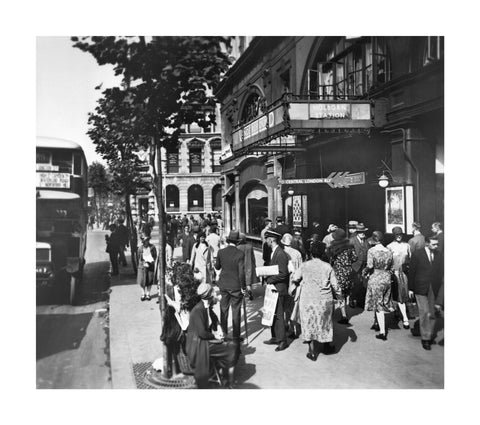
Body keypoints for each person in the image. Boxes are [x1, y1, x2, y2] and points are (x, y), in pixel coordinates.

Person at [292, 241, 342, 360]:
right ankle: (326, 346)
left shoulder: (304, 265)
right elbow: (335, 286)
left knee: (308, 322)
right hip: (324, 300)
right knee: (325, 322)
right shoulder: (327, 266)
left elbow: (295, 278)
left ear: (311, 252)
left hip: (307, 299)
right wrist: (340, 297)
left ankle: (312, 351)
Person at [186, 283, 237, 389]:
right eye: (213, 292)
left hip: (204, 341)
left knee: (231, 342)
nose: (215, 293)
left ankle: (225, 375)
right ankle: (230, 381)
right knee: (231, 347)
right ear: (209, 295)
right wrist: (216, 336)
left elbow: (214, 318)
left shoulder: (206, 306)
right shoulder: (198, 310)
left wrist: (218, 327)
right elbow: (202, 334)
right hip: (198, 345)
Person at [408, 236, 444, 350]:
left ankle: (428, 334)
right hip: (420, 287)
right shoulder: (418, 254)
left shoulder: (439, 255)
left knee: (432, 313)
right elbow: (412, 272)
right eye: (434, 244)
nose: (436, 246)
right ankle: (425, 339)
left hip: (433, 287)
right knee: (424, 312)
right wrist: (410, 288)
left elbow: (440, 271)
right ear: (427, 244)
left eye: (437, 244)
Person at [214, 230, 246, 343]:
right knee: (236, 311)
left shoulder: (221, 252)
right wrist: (244, 287)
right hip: (236, 286)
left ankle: (224, 334)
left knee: (224, 310)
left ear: (228, 241)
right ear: (237, 242)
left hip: (223, 285)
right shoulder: (240, 254)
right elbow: (241, 272)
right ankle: (236, 337)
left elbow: (217, 267)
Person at [263, 229, 290, 351]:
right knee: (273, 313)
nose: (266, 241)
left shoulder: (280, 254)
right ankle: (275, 337)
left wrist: (270, 279)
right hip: (274, 288)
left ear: (271, 239)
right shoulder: (274, 252)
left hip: (279, 288)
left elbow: (283, 274)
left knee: (279, 315)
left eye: (267, 239)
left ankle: (283, 340)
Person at [364, 231, 394, 340]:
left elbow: (370, 265)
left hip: (376, 277)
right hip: (386, 277)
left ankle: (382, 331)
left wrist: (365, 271)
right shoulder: (389, 251)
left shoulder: (371, 251)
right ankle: (376, 323)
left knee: (378, 304)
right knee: (381, 301)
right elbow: (391, 266)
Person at [328, 228, 358, 325]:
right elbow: (355, 258)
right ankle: (343, 313)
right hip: (348, 271)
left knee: (336, 293)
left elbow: (330, 258)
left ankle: (337, 314)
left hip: (337, 271)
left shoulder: (333, 247)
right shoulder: (350, 246)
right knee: (344, 293)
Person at [387, 226, 411, 330]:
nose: (399, 236)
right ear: (394, 235)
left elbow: (410, 258)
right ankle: (401, 315)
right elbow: (388, 261)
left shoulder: (407, 245)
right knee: (395, 295)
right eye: (397, 234)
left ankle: (403, 316)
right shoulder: (389, 246)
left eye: (400, 234)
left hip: (404, 273)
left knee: (403, 296)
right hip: (394, 273)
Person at [281, 233, 303, 338]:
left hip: (284, 282)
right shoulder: (297, 253)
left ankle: (287, 324)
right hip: (295, 282)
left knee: (285, 306)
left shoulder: (281, 253)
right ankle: (294, 328)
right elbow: (301, 269)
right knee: (293, 305)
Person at [349, 223, 370, 308]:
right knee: (354, 283)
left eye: (363, 232)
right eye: (361, 232)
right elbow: (348, 253)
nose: (363, 234)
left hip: (363, 266)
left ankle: (360, 301)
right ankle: (352, 299)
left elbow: (368, 252)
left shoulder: (366, 241)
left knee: (363, 284)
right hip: (355, 266)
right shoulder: (352, 240)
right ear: (357, 232)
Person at [236, 233, 257, 299]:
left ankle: (243, 292)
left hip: (241, 264)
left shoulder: (237, 247)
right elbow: (253, 257)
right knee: (248, 280)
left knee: (242, 278)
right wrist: (254, 264)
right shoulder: (250, 246)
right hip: (249, 264)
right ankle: (249, 290)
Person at [137, 236, 157, 301]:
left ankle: (148, 294)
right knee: (142, 280)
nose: (146, 242)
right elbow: (138, 257)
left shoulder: (152, 247)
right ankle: (143, 294)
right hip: (142, 267)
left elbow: (155, 256)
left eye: (147, 240)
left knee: (149, 280)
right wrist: (143, 263)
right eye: (145, 240)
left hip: (150, 266)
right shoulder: (140, 248)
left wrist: (151, 262)